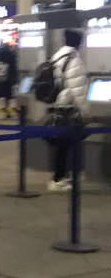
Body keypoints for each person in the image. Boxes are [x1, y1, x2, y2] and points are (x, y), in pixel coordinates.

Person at [47, 29, 90, 192]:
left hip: (57, 105)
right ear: (79, 43)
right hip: (68, 108)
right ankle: (59, 179)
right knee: (64, 145)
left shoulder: (57, 56)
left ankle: (62, 175)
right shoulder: (74, 60)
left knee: (62, 144)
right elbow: (78, 89)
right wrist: (86, 111)